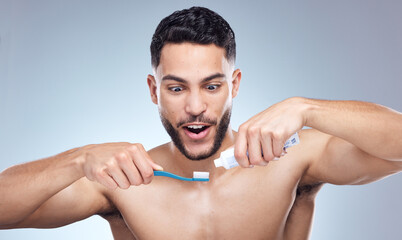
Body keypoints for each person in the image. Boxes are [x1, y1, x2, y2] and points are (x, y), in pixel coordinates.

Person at [0, 6, 401, 240]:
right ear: (154, 91)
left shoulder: (292, 159)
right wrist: (78, 158)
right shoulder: (120, 180)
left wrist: (307, 108)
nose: (195, 107)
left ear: (235, 85)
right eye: (176, 89)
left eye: (211, 86)